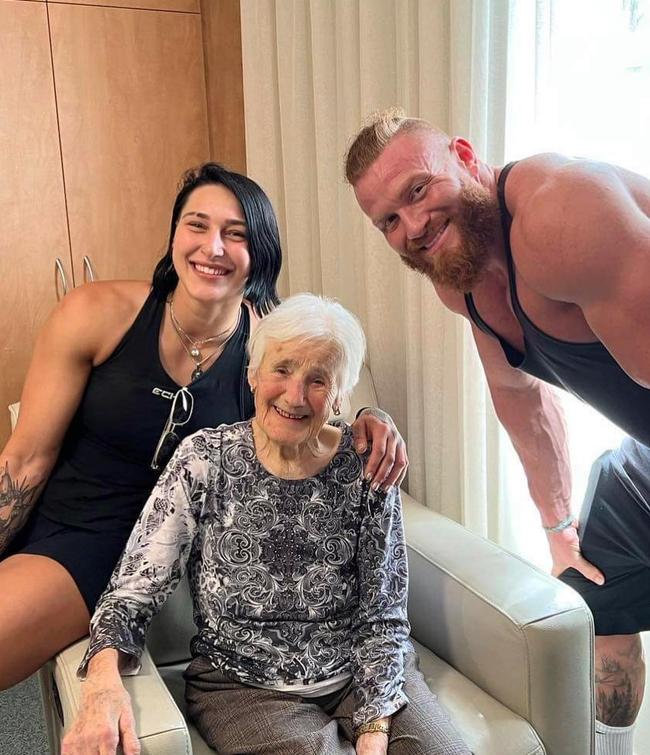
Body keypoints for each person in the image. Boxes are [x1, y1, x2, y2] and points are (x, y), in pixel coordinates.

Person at [0, 164, 407, 692]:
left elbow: (319, 408)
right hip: (63, 515)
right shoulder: (95, 312)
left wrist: (373, 419)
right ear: (174, 235)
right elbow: (24, 461)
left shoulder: (270, 344)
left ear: (259, 252)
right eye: (197, 225)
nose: (212, 247)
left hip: (118, 546)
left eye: (234, 234)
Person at [345, 108, 650, 755]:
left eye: (418, 190)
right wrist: (556, 524)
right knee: (596, 597)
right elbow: (520, 399)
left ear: (464, 155)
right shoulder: (466, 282)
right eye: (388, 221)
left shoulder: (560, 216)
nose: (412, 226)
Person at [61, 293, 470, 755]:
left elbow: (383, 612)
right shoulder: (204, 460)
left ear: (340, 396)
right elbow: (133, 590)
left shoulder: (366, 466)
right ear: (253, 375)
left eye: (319, 380)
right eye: (282, 369)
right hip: (243, 688)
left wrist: (375, 726)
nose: (295, 395)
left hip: (362, 670)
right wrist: (102, 682)